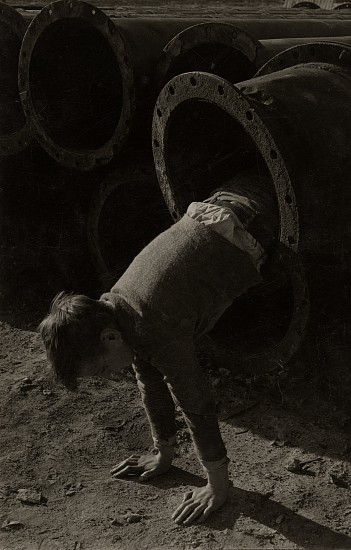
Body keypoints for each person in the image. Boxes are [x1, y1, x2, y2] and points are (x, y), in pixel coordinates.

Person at [39, 170, 277, 525]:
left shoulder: (152, 324)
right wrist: (162, 452)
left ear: (109, 338)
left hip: (259, 211)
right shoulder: (117, 307)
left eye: (103, 370)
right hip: (232, 195)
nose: (110, 376)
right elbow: (148, 380)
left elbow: (195, 402)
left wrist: (216, 484)